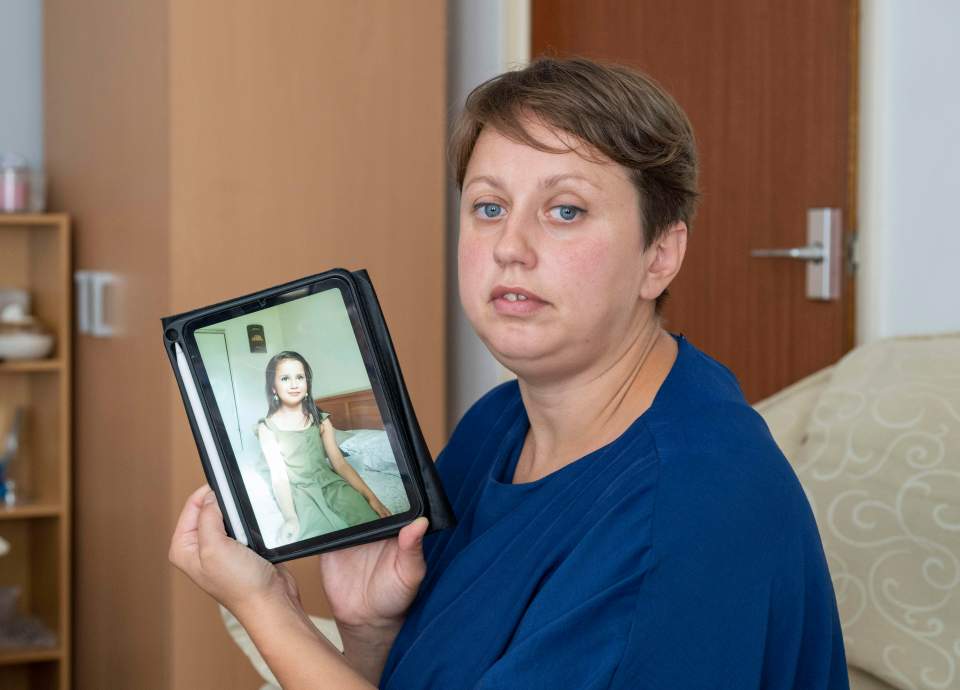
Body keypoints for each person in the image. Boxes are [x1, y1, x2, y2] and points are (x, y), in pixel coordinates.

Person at [170, 57, 849, 689]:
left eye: (565, 211)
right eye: (489, 207)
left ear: (660, 256)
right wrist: (370, 628)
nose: (510, 248)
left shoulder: (686, 508)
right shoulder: (499, 423)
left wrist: (265, 607)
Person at [256, 350, 390, 544]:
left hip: (330, 483)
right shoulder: (266, 428)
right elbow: (279, 477)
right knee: (321, 533)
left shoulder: (321, 420)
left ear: (307, 384)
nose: (294, 384)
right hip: (299, 490)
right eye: (285, 378)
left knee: (367, 521)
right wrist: (290, 517)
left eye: (299, 377)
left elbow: (339, 463)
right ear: (274, 388)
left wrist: (372, 498)